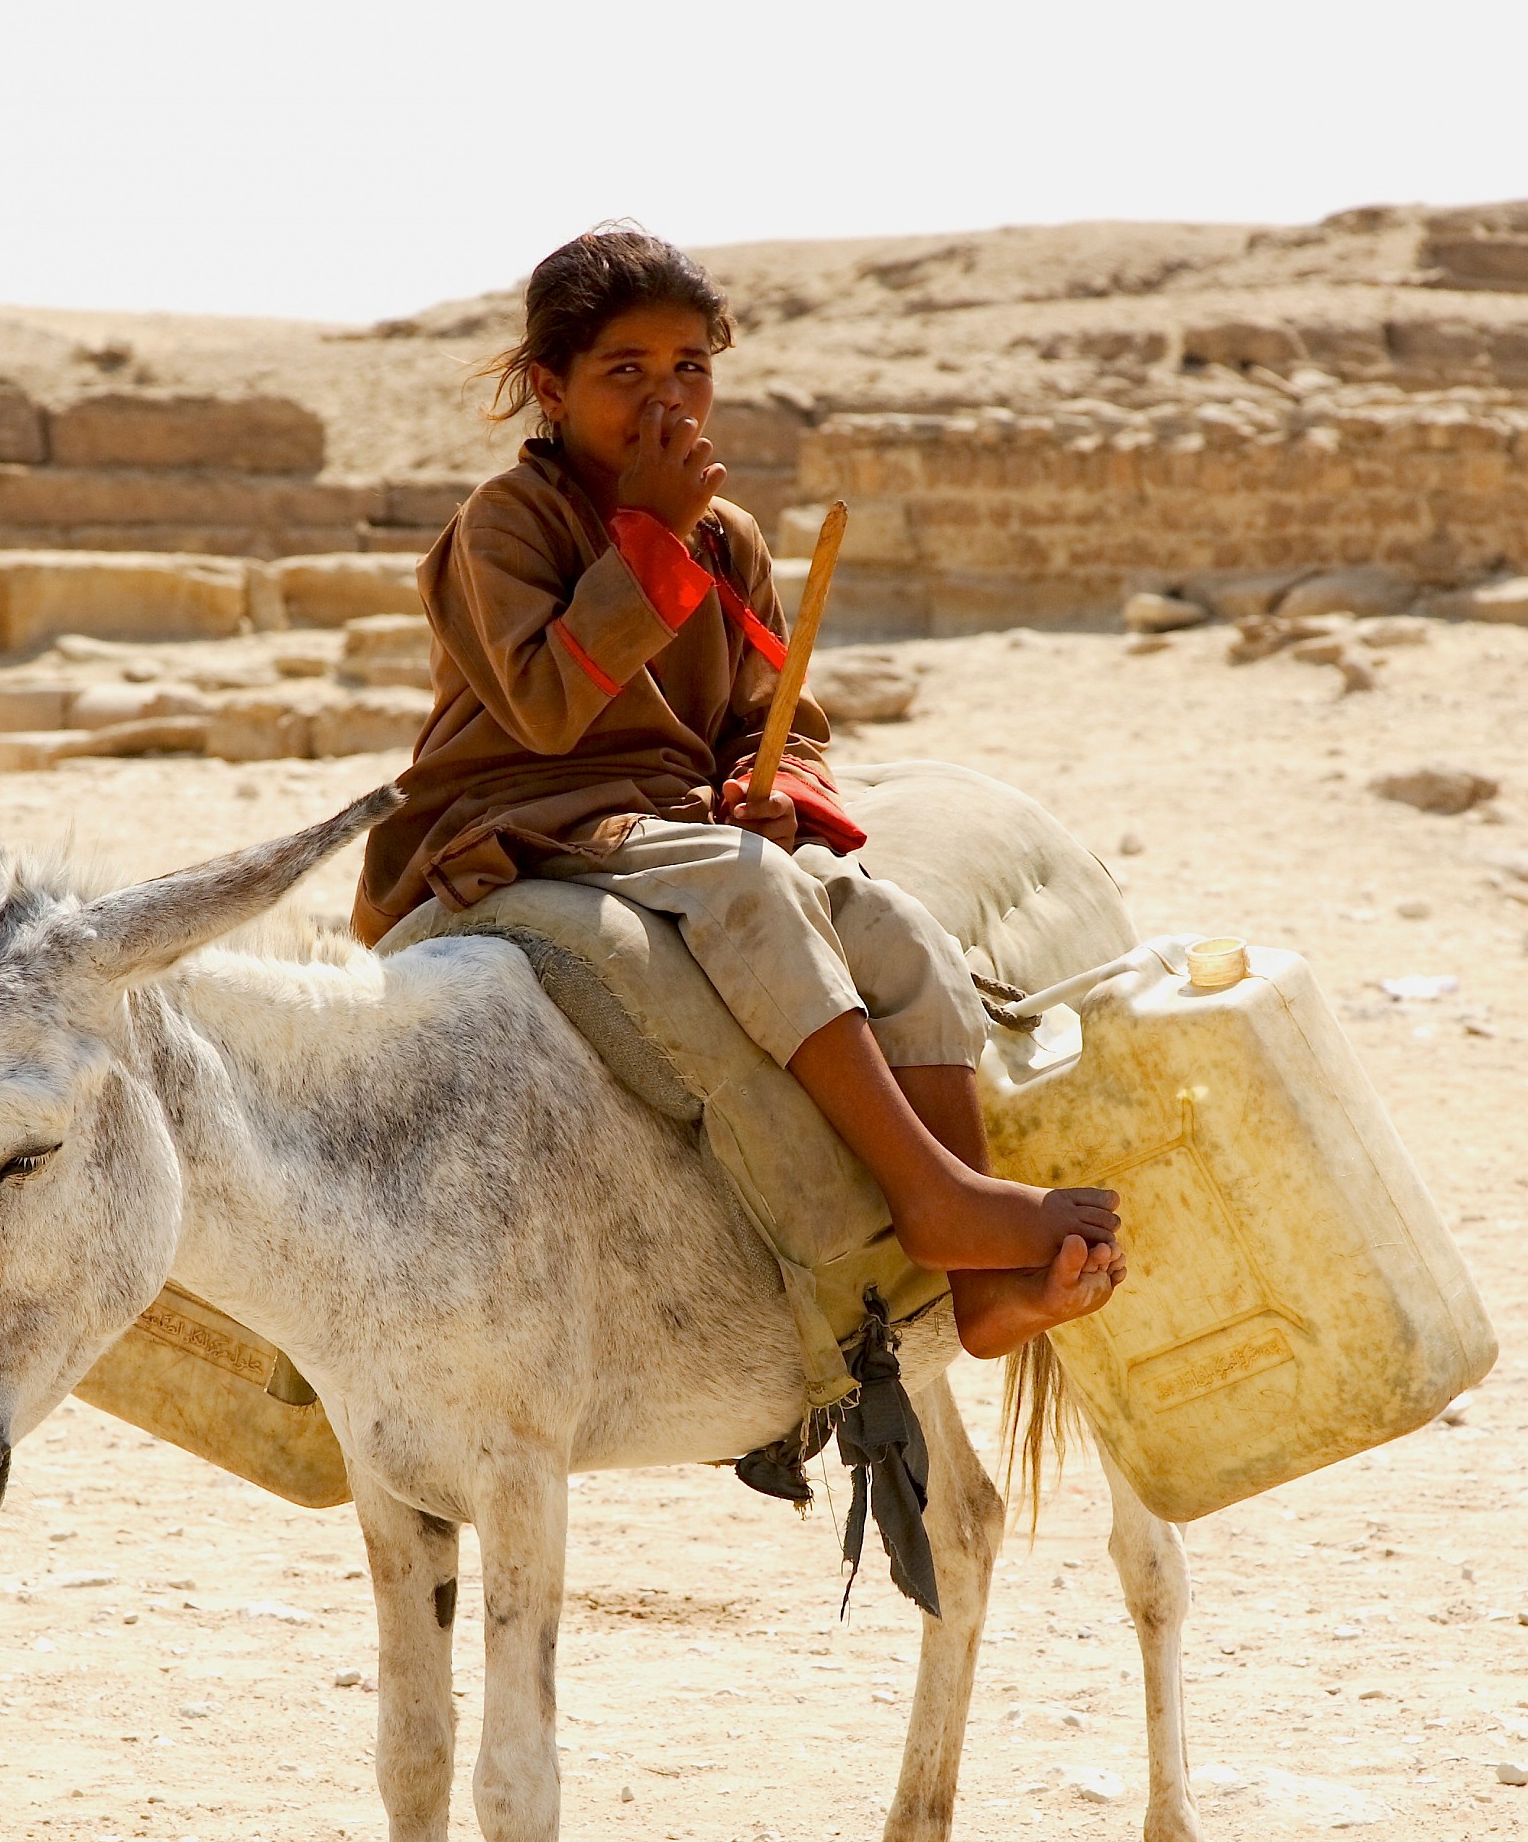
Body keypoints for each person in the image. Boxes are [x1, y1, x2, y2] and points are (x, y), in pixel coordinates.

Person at [353, 227, 1124, 1357]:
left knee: (896, 926)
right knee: (749, 887)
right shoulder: (506, 523)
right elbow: (545, 708)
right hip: (527, 815)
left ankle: (978, 1272)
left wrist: (772, 793)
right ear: (552, 389)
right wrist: (653, 541)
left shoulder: (731, 539)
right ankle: (929, 1192)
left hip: (674, 819)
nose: (665, 399)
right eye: (626, 371)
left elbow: (778, 720)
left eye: (691, 367)